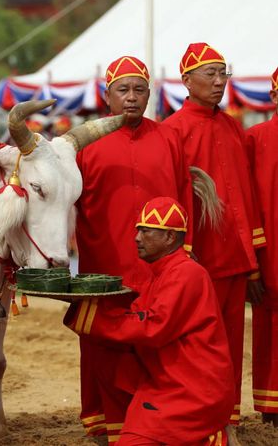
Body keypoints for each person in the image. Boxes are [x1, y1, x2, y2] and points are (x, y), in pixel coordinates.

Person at [73, 56, 194, 443]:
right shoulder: (83, 144)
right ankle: (105, 425)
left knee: (160, 345)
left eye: (139, 90)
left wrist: (184, 253)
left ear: (149, 94)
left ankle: (155, 421)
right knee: (104, 345)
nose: (131, 98)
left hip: (161, 269)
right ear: (106, 95)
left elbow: (184, 199)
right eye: (122, 90)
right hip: (104, 265)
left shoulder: (169, 138)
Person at [66, 196, 234, 445]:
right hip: (167, 382)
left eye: (145, 231)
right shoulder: (162, 274)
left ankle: (210, 435)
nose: (136, 238)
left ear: (170, 237)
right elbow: (138, 317)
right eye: (137, 230)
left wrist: (90, 316)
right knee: (104, 353)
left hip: (189, 391)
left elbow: (151, 327)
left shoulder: (187, 274)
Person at [163, 43, 265, 425]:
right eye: (211, 74)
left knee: (231, 346)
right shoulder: (172, 130)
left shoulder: (233, 127)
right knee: (195, 345)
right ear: (186, 81)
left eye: (224, 74)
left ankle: (228, 421)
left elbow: (248, 195)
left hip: (235, 259)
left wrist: (252, 260)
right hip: (197, 257)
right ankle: (196, 420)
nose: (220, 82)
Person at [246, 68, 278, 426]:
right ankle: (272, 409)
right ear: (274, 97)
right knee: (270, 327)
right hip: (271, 254)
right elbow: (245, 199)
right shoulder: (254, 138)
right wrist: (252, 261)